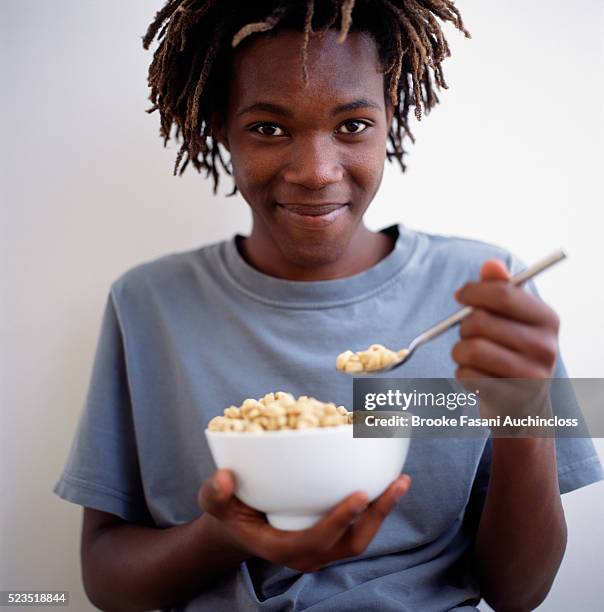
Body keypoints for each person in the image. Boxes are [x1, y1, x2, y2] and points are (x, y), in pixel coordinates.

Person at [54, 2, 603, 611]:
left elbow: (519, 594)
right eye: (268, 128)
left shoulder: (486, 291)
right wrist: (221, 536)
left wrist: (524, 419)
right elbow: (105, 580)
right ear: (218, 127)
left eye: (352, 125)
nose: (316, 172)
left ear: (391, 117)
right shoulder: (148, 303)